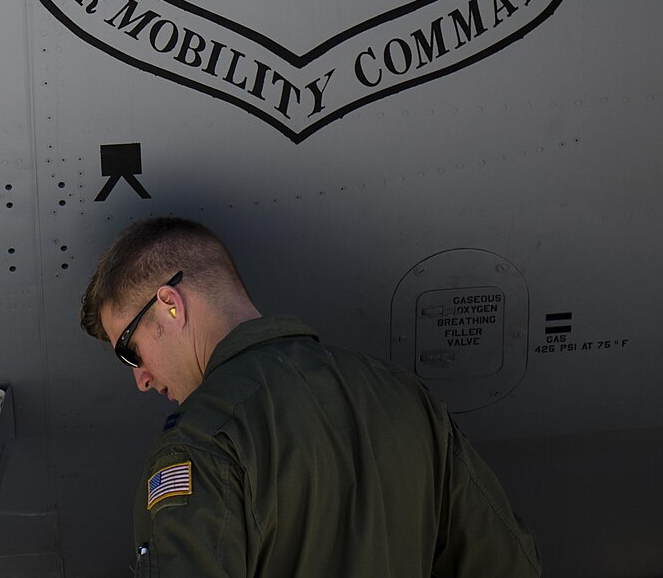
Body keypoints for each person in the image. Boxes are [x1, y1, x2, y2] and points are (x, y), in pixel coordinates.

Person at [79, 217, 541, 576]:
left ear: (171, 305)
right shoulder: (405, 397)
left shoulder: (201, 441)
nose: (140, 378)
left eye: (130, 351)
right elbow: (506, 563)